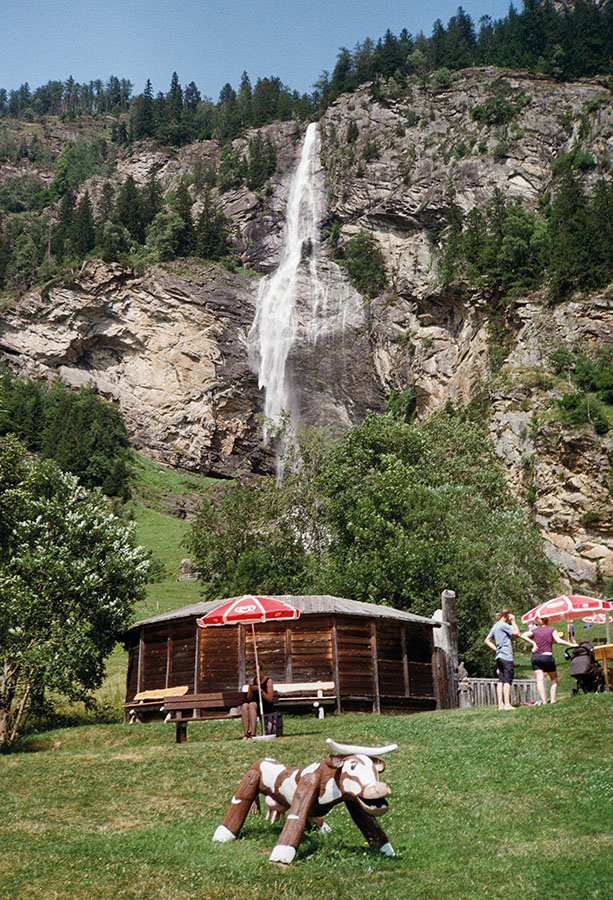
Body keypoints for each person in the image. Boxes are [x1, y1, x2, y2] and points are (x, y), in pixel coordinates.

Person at [521, 616, 577, 704]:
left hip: (535, 657)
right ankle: (553, 700)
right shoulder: (551, 629)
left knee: (539, 679)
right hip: (547, 657)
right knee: (554, 678)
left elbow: (523, 635)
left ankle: (544, 701)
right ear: (548, 621)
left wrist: (533, 643)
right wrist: (571, 645)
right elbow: (558, 641)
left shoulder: (535, 630)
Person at [484, 609, 527, 710]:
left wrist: (497, 649)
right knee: (507, 680)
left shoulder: (495, 625)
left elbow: (487, 640)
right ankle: (507, 705)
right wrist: (513, 622)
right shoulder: (504, 625)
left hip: (499, 656)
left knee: (501, 680)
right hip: (506, 656)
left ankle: (501, 705)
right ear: (507, 616)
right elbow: (517, 634)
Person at [241, 665, 274, 740]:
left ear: (262, 671)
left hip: (264, 704)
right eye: (254, 673)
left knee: (252, 705)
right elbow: (249, 698)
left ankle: (253, 733)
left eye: (257, 673)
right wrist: (251, 690)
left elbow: (269, 699)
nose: (256, 675)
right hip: (254, 702)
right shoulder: (252, 681)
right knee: (245, 705)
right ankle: (246, 734)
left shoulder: (268, 681)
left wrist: (261, 690)